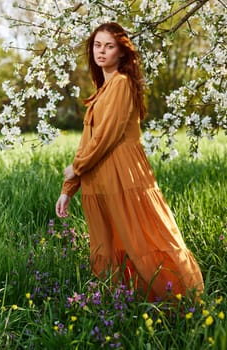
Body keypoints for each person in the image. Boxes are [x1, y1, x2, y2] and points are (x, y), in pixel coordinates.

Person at [56, 22, 204, 301]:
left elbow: (107, 136)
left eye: (109, 46)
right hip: (99, 179)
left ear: (122, 53)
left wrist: (76, 168)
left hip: (123, 176)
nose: (101, 51)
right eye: (97, 45)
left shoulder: (122, 84)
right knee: (108, 244)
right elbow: (87, 142)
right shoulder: (103, 89)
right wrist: (69, 187)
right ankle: (121, 302)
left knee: (143, 238)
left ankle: (178, 300)